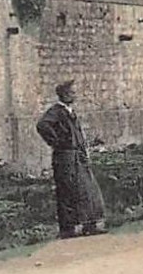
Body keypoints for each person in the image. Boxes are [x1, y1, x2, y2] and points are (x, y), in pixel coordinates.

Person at [36, 80, 107, 239]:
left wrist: (84, 147)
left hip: (77, 156)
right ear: (64, 94)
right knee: (67, 191)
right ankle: (68, 228)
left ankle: (89, 223)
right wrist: (57, 142)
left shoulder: (70, 112)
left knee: (86, 189)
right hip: (65, 157)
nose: (75, 95)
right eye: (72, 92)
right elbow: (42, 126)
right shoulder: (56, 111)